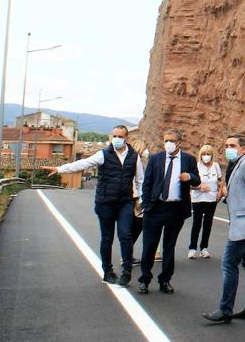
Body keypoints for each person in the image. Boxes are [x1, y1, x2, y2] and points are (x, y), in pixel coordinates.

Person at [45, 125, 143, 286]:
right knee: (107, 238)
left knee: (125, 235)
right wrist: (60, 169)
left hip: (125, 202)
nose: (117, 139)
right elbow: (82, 164)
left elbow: (140, 180)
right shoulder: (103, 154)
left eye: (120, 136)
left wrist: (141, 199)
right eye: (114, 136)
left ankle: (126, 271)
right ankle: (108, 272)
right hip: (105, 203)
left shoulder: (134, 157)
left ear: (127, 138)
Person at [203, 134, 245, 323]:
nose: (228, 148)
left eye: (232, 145)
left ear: (242, 148)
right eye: (226, 145)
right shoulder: (237, 164)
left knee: (228, 264)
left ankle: (225, 310)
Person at [137, 129, 200, 294]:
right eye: (166, 140)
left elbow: (197, 178)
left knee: (169, 246)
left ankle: (165, 280)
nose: (168, 144)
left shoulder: (188, 160)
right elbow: (147, 182)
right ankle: (144, 279)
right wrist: (145, 203)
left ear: (179, 142)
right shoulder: (156, 159)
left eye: (171, 141)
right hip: (155, 208)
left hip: (176, 209)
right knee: (149, 246)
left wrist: (190, 177)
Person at [189, 144, 223, 259]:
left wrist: (220, 192)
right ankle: (192, 248)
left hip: (211, 199)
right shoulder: (196, 166)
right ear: (200, 155)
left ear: (212, 155)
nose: (206, 156)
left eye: (208, 154)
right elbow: (189, 185)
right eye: (204, 154)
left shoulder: (216, 166)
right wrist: (199, 187)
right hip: (198, 198)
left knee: (208, 223)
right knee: (197, 223)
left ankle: (204, 248)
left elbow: (220, 181)